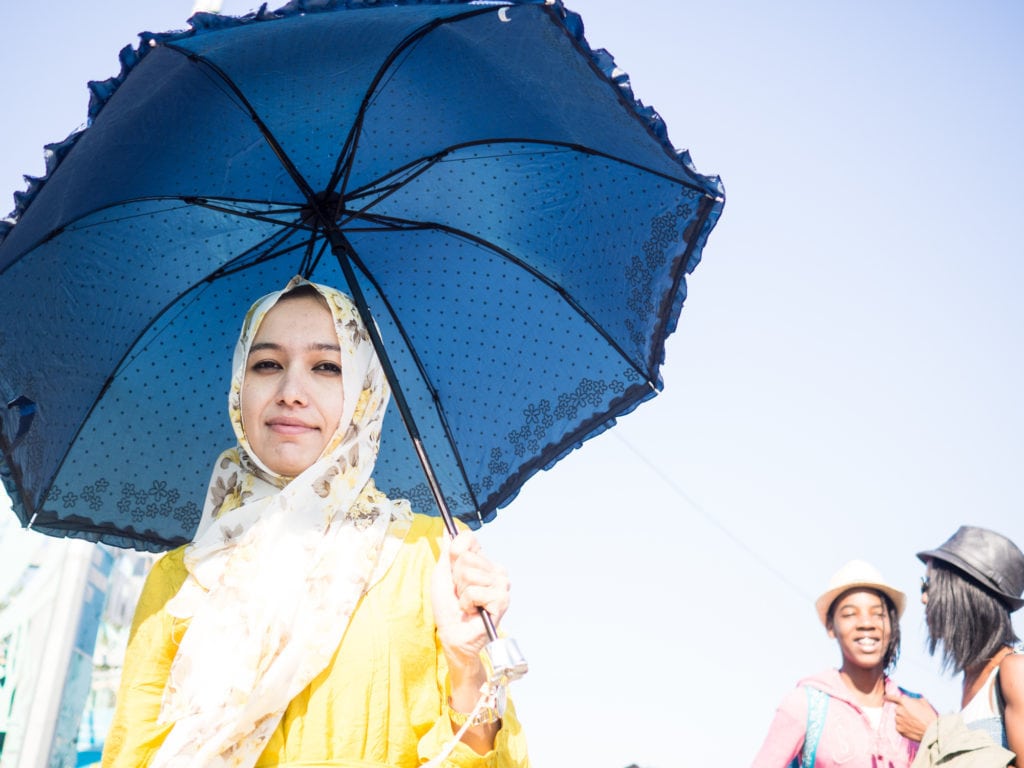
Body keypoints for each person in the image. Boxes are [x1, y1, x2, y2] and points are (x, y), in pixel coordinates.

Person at [101, 277, 529, 768]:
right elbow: (129, 755)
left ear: (366, 392)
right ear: (241, 387)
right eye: (267, 365)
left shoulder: (427, 554)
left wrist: (466, 665)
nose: (290, 392)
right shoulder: (182, 578)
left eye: (327, 366)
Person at [751, 560, 922, 768]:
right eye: (850, 614)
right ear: (831, 627)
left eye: (878, 614)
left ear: (892, 625)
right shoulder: (805, 706)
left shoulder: (918, 710)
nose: (866, 624)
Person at [888, 525, 1024, 763]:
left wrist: (935, 731)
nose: (924, 597)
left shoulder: (1015, 671)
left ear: (963, 594)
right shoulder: (970, 680)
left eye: (928, 585)